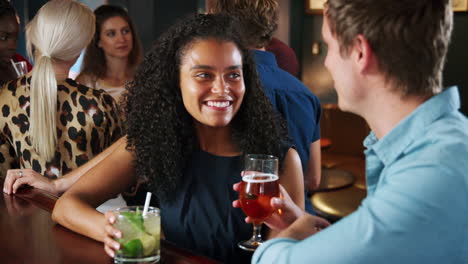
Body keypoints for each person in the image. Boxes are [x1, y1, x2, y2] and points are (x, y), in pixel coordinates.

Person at [51, 14, 305, 263]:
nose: (222, 88)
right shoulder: (156, 143)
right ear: (176, 82)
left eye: (233, 74)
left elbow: (281, 256)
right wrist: (111, 230)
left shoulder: (281, 160)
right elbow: (67, 206)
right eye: (204, 75)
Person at [246, 0, 468, 263]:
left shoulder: (432, 172)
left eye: (329, 46)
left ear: (360, 52)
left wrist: (283, 239)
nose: (327, 62)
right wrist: (304, 224)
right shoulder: (442, 145)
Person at [1, 0, 123, 211]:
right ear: (80, 48)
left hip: (28, 221)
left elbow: (6, 179)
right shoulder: (100, 104)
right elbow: (122, 176)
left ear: (34, 36)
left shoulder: (4, 99)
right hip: (94, 218)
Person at [208, 0, 322, 213]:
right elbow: (313, 179)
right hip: (296, 218)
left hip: (239, 218)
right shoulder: (306, 95)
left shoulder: (217, 93)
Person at [76, 4, 142, 104]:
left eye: (125, 31)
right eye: (111, 34)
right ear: (98, 41)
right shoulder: (86, 83)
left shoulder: (144, 78)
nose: (121, 39)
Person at [0, 0, 32, 86]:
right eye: (3, 37)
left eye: (15, 38)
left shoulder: (19, 62)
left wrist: (17, 82)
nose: (13, 46)